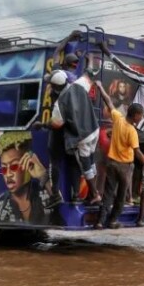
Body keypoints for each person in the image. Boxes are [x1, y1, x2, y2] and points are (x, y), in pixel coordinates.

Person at [95, 83, 144, 230]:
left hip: (111, 163)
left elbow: (108, 101)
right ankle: (112, 221)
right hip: (124, 167)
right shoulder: (132, 131)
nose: (142, 117)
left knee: (108, 194)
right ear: (136, 116)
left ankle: (100, 222)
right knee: (121, 196)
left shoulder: (118, 118)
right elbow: (138, 153)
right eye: (141, 115)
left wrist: (100, 86)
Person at [46, 70, 101, 204]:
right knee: (91, 163)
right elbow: (89, 77)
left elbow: (57, 123)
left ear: (55, 87)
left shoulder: (60, 102)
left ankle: (95, 195)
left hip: (82, 137)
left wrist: (44, 124)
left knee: (85, 165)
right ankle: (92, 194)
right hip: (94, 129)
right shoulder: (78, 84)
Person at [0, 131, 56, 225]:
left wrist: (43, 175)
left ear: (27, 162)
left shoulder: (45, 192)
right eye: (4, 169)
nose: (8, 174)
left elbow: (63, 211)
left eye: (14, 166)